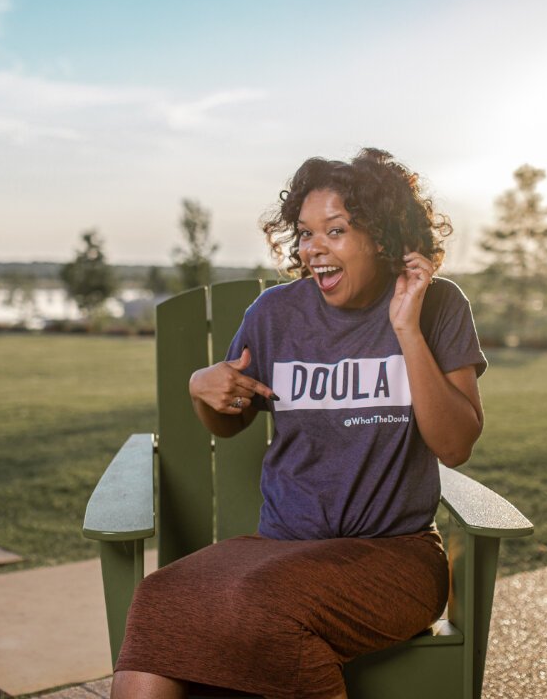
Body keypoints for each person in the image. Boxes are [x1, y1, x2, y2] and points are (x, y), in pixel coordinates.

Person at [112, 148, 487, 699]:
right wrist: (202, 388)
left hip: (395, 556)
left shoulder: (437, 306)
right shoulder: (274, 314)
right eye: (306, 233)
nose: (314, 249)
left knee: (260, 608)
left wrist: (406, 328)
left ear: (382, 236)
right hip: (279, 549)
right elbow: (227, 425)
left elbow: (454, 446)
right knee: (158, 598)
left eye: (335, 231)